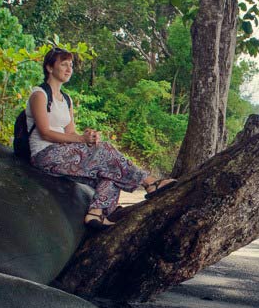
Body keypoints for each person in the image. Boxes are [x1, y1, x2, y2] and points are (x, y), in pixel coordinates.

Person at [26, 47, 175, 229]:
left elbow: (71, 133)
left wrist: (87, 137)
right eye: (64, 64)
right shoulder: (39, 95)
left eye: (71, 65)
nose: (69, 69)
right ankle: (150, 182)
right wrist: (82, 140)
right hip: (45, 154)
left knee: (110, 174)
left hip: (64, 153)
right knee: (104, 149)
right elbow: (45, 132)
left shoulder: (66, 99)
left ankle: (95, 214)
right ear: (49, 68)